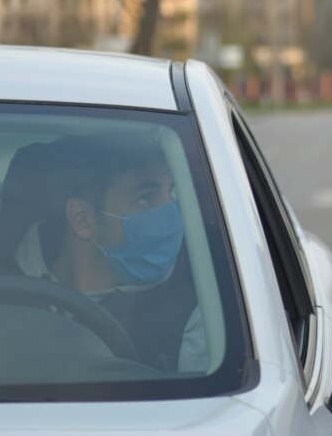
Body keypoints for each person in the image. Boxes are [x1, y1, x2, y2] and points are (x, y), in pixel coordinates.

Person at [12, 133, 207, 372]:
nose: (170, 214)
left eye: (171, 192)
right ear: (82, 219)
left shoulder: (198, 315)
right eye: (145, 198)